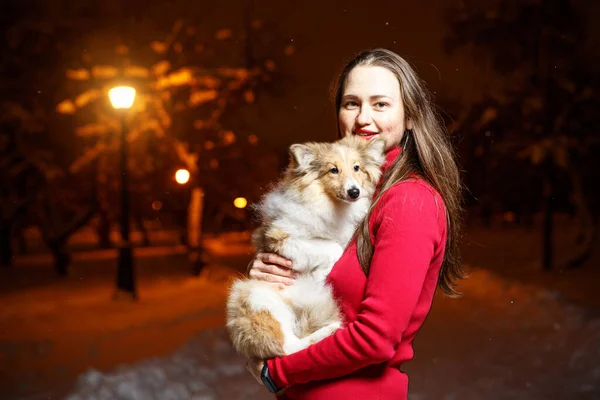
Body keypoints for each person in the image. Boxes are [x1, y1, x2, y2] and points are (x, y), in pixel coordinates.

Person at [246, 48, 464, 399]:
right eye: (351, 103)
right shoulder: (356, 193)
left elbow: (376, 339)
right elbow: (324, 271)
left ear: (410, 116)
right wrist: (272, 267)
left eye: (380, 104)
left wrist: (278, 372)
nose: (363, 118)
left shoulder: (409, 200)